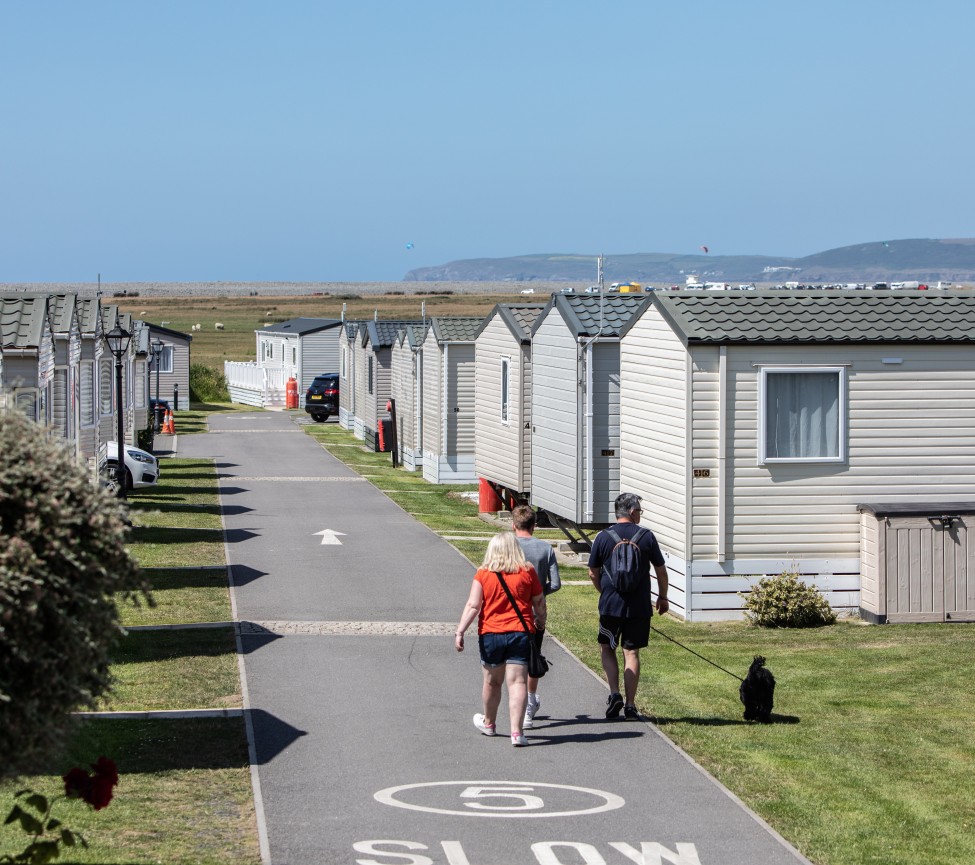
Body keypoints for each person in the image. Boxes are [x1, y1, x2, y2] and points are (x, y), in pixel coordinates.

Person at [455, 531, 546, 746]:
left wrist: (460, 631)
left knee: (492, 681)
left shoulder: (483, 573)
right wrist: (540, 622)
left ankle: (490, 724)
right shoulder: (527, 571)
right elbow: (539, 602)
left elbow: (473, 605)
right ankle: (517, 733)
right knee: (517, 682)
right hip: (520, 632)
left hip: (491, 633)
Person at [587, 492, 669, 721]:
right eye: (640, 511)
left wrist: (603, 591)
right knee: (631, 652)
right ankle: (631, 705)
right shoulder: (646, 537)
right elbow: (661, 571)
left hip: (611, 605)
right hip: (639, 606)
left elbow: (592, 571)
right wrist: (663, 598)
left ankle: (614, 693)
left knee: (607, 647)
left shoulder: (603, 537)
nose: (640, 514)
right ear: (632, 512)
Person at [511, 504, 560, 729]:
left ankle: (515, 703)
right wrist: (539, 593)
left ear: (513, 525)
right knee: (533, 657)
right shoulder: (545, 548)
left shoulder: (507, 547)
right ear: (535, 525)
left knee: (512, 660)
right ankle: (530, 704)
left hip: (510, 611)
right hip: (534, 612)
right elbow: (556, 583)